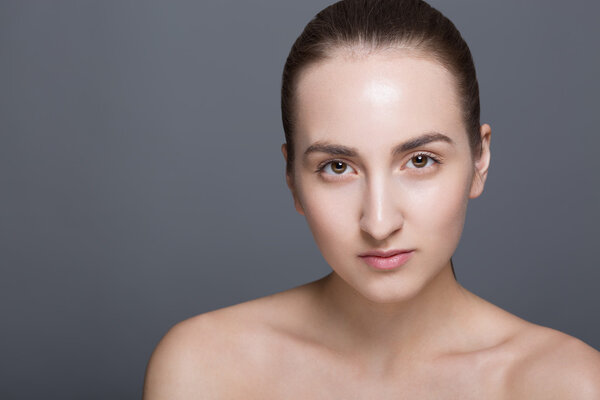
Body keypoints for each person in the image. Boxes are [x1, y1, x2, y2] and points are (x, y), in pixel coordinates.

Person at [143, 0, 600, 397]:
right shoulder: (205, 369)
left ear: (479, 161)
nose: (379, 224)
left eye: (420, 161)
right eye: (337, 167)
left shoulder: (569, 384)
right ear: (291, 178)